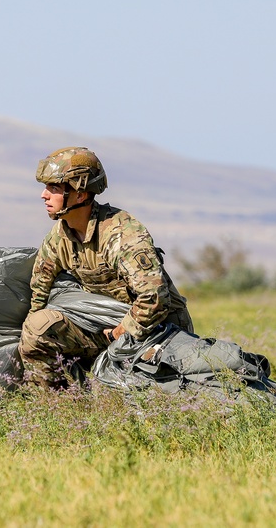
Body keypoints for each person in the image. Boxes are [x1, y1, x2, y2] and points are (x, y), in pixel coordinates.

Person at [20, 146, 193, 388]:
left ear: (80, 194)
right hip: (106, 329)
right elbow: (39, 292)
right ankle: (66, 409)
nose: (43, 195)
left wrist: (121, 332)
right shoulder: (59, 237)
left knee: (146, 397)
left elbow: (154, 298)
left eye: (54, 188)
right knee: (36, 330)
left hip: (156, 330)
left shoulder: (122, 234)